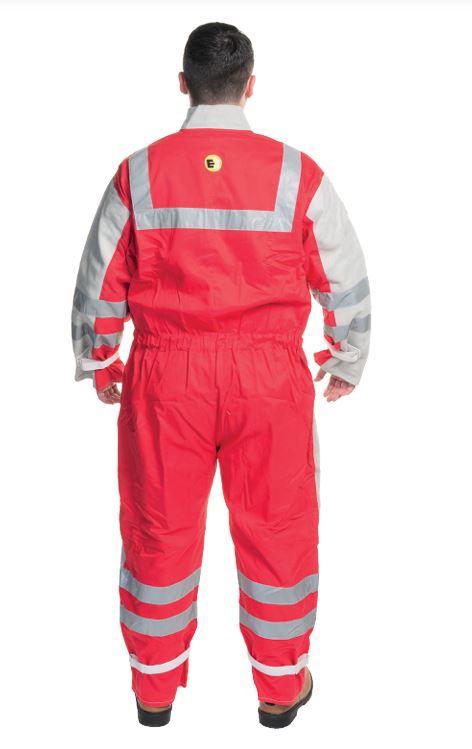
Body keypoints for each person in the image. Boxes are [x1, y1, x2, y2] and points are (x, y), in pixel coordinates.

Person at [71, 21, 371, 729]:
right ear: (251, 86)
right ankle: (280, 688)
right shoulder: (297, 173)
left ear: (183, 84)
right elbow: (344, 270)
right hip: (268, 380)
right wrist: (347, 355)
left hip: (165, 378)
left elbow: (100, 276)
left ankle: (153, 690)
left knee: (158, 530)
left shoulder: (139, 173)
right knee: (278, 529)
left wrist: (99, 357)